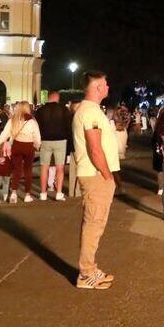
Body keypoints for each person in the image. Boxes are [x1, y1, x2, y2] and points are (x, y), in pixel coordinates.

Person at [72, 71, 120, 290]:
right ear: (98, 88)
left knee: (95, 223)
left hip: (95, 173)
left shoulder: (90, 110)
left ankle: (90, 268)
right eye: (105, 84)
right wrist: (107, 175)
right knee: (94, 224)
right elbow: (94, 148)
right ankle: (86, 273)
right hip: (95, 175)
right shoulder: (90, 112)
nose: (108, 87)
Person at [0, 101, 41, 202]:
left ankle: (14, 193)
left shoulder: (13, 119)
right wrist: (37, 145)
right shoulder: (32, 120)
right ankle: (27, 195)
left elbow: (5, 134)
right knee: (28, 170)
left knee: (16, 170)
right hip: (29, 146)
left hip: (17, 145)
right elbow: (36, 135)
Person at [35, 91, 73, 201]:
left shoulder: (40, 110)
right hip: (60, 140)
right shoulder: (64, 110)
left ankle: (43, 193)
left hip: (45, 140)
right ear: (57, 98)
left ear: (48, 98)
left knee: (44, 167)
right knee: (60, 168)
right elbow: (68, 126)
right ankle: (59, 192)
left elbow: (37, 126)